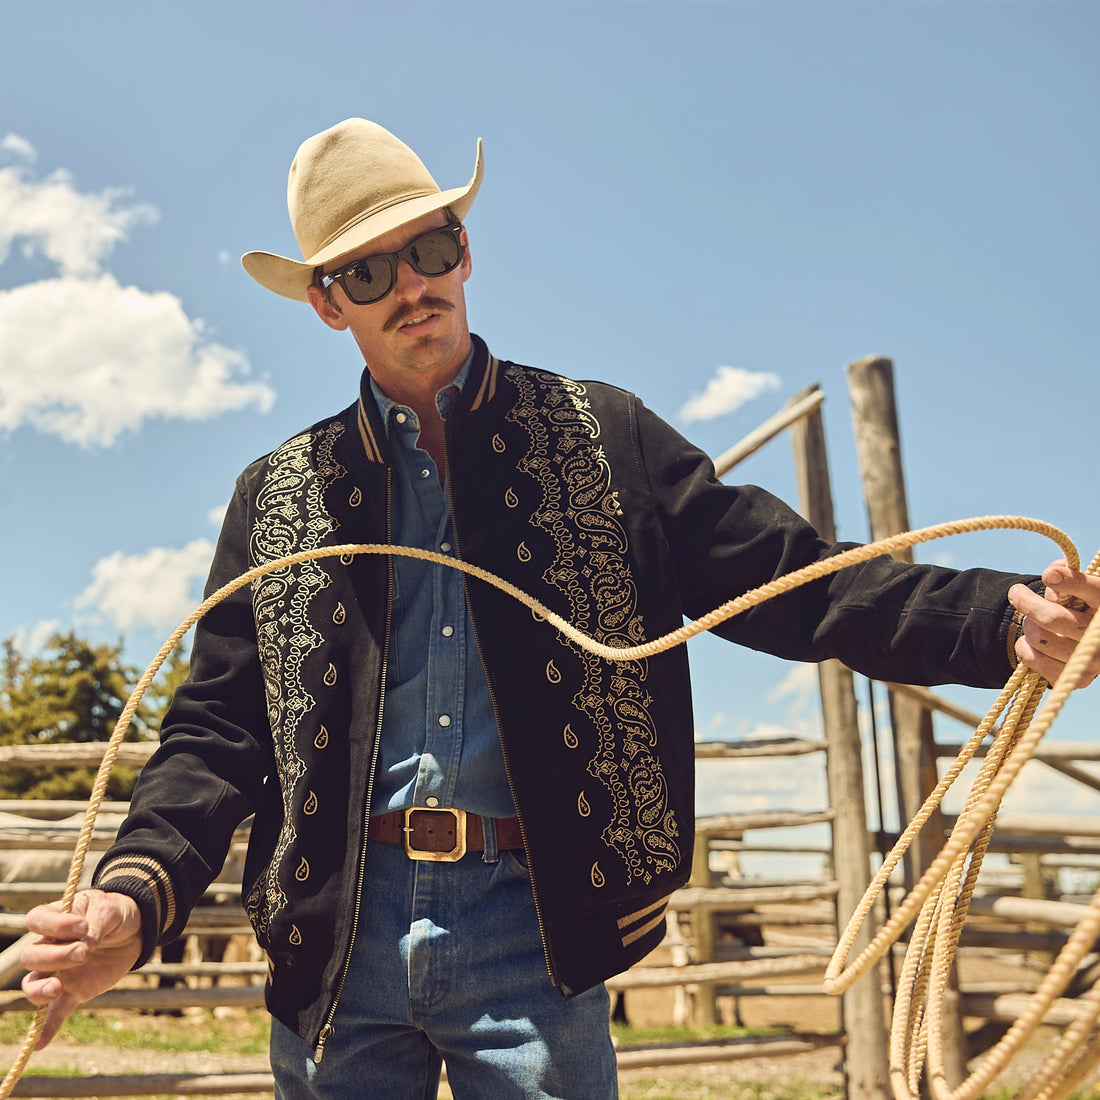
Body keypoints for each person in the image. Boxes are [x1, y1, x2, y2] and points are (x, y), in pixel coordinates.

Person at [20, 119, 1100, 1100]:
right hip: (334, 930)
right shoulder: (279, 494)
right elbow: (216, 731)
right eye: (369, 268)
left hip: (531, 925)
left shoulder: (603, 436)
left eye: (432, 248)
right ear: (326, 300)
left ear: (466, 250)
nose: (413, 285)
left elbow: (796, 579)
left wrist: (996, 621)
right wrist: (135, 892)